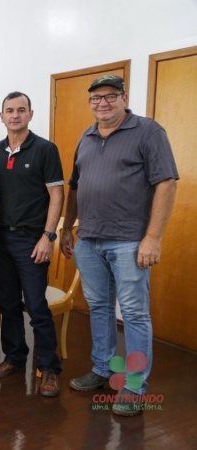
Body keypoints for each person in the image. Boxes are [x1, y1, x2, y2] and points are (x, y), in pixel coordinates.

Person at [62, 75, 178, 416]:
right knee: (99, 308)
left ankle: (134, 386)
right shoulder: (87, 135)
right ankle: (102, 369)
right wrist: (68, 228)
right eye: (96, 98)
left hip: (129, 241)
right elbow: (75, 187)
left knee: (134, 314)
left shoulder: (148, 131)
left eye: (110, 96)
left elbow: (167, 184)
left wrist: (153, 237)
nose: (102, 103)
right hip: (89, 240)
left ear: (123, 98)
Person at [0, 91, 64, 397]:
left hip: (33, 239)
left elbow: (57, 195)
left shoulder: (45, 149)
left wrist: (48, 235)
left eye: (21, 110)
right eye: (9, 110)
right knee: (8, 304)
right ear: (1, 116)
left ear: (31, 114)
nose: (15, 115)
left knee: (36, 305)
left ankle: (49, 367)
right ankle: (15, 357)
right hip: (1, 238)